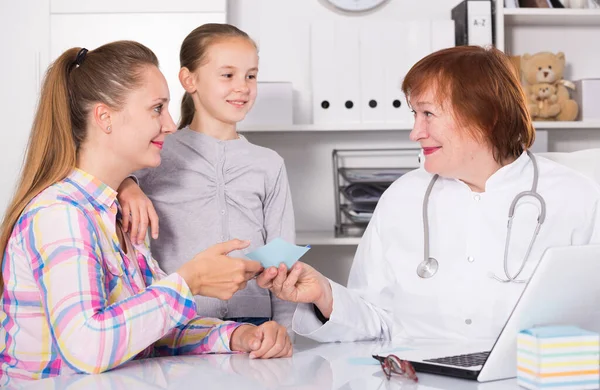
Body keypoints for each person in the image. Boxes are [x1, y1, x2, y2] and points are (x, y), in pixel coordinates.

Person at [256, 45, 600, 343]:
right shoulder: (402, 197)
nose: (415, 133)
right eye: (414, 114)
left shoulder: (576, 197)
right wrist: (324, 295)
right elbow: (376, 319)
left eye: (428, 114)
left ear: (487, 116)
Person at [0, 41, 292, 385]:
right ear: (104, 117)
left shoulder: (117, 218)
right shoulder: (60, 215)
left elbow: (150, 328)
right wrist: (189, 281)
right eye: (157, 108)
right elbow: (87, 346)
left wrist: (236, 335)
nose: (170, 124)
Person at [116, 24, 296, 328]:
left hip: (254, 323)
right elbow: (105, 175)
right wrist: (127, 185)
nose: (242, 86)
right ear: (189, 79)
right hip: (178, 320)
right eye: (228, 75)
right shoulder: (156, 152)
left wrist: (282, 330)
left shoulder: (269, 164)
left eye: (250, 75)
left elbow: (282, 255)